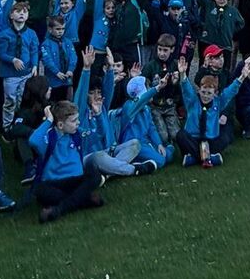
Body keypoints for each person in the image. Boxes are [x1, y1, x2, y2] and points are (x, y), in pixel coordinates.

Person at [76, 49, 150, 178]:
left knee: (135, 144)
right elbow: (81, 92)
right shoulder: (81, 112)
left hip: (110, 152)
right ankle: (133, 170)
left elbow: (108, 88)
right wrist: (86, 68)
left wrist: (110, 67)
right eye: (92, 93)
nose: (97, 96)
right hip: (91, 157)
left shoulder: (102, 106)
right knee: (100, 157)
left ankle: (109, 173)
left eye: (98, 92)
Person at [29, 101, 105, 223]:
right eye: (74, 121)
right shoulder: (49, 137)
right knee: (40, 190)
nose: (78, 123)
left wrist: (99, 114)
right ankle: (83, 200)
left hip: (75, 181)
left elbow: (100, 134)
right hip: (54, 183)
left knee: (95, 174)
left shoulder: (78, 134)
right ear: (60, 125)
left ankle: (58, 210)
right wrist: (48, 120)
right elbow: (33, 141)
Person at [176, 54, 247, 167]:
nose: (205, 96)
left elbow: (231, 91)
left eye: (209, 93)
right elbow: (186, 88)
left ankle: (194, 159)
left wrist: (242, 77)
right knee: (180, 135)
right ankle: (208, 158)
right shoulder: (193, 101)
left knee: (226, 137)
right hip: (193, 139)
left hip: (210, 139)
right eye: (203, 92)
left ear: (215, 94)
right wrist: (182, 74)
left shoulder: (218, 102)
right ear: (199, 90)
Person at [0, 1, 42, 132]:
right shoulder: (5, 34)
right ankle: (7, 127)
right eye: (18, 11)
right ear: (11, 15)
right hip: (10, 74)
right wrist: (13, 60)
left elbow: (34, 50)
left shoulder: (31, 33)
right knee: (10, 100)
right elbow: (1, 53)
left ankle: (20, 122)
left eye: (25, 12)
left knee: (24, 99)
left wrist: (34, 65)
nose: (22, 14)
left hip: (26, 73)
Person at [116, 75, 173, 169]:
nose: (150, 90)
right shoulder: (129, 106)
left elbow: (151, 128)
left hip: (145, 143)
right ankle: (134, 163)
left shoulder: (146, 109)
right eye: (148, 88)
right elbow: (140, 100)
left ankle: (166, 149)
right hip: (133, 145)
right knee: (161, 160)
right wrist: (157, 88)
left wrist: (159, 144)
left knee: (167, 156)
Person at [7, 76, 51, 183]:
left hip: (44, 144)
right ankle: (29, 168)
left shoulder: (49, 107)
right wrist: (34, 133)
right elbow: (14, 129)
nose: (51, 89)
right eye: (48, 88)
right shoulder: (25, 111)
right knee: (21, 136)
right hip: (28, 148)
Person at [143, 34, 181, 146]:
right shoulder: (150, 66)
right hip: (155, 107)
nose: (162, 53)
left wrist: (176, 83)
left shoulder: (175, 65)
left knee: (175, 135)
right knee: (163, 137)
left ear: (172, 50)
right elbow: (143, 85)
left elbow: (181, 90)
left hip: (170, 106)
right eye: (159, 49)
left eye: (165, 50)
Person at [41, 15, 78, 102]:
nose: (60, 31)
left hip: (67, 80)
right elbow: (47, 60)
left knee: (66, 102)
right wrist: (56, 72)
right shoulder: (46, 44)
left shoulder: (68, 42)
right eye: (58, 29)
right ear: (50, 29)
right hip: (53, 81)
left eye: (63, 29)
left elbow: (73, 57)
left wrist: (70, 70)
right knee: (53, 103)